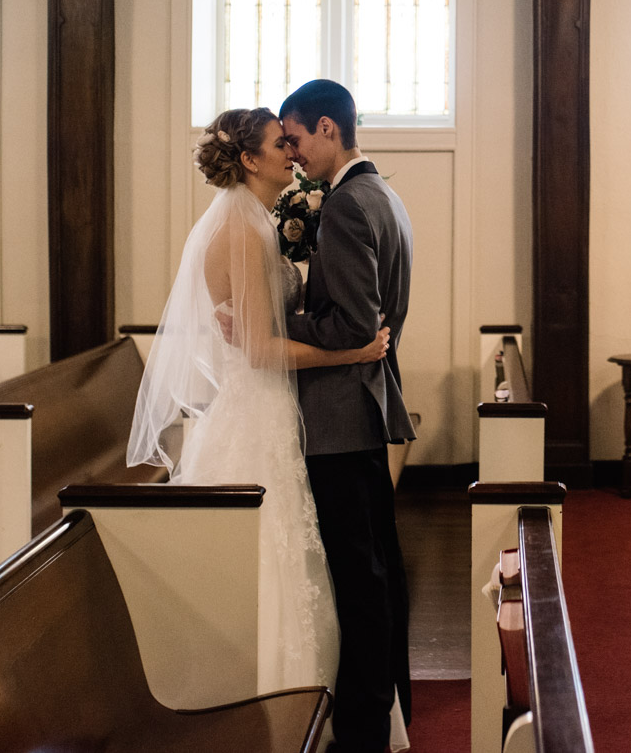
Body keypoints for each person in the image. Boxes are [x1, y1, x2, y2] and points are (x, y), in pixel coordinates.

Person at [125, 106, 394, 725]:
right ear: (249, 160)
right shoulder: (244, 229)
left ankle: (296, 701)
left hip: (271, 411)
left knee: (292, 558)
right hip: (257, 410)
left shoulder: (257, 222)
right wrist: (352, 349)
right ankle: (270, 701)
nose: (291, 154)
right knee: (271, 559)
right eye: (280, 144)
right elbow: (260, 349)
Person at [279, 79, 416, 753]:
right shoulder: (385, 196)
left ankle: (363, 729)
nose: (293, 154)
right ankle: (395, 708)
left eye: (297, 137)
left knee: (358, 581)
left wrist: (277, 317)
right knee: (379, 570)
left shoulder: (346, 207)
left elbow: (355, 325)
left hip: (338, 418)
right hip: (366, 406)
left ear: (328, 129)